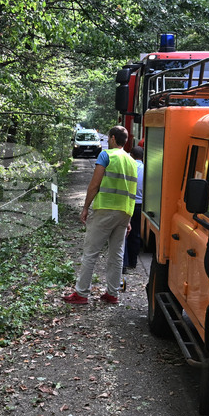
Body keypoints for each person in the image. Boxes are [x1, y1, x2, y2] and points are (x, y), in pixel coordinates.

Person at [64, 126, 138, 305]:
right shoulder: (131, 161)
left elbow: (94, 185)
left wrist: (85, 208)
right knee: (116, 254)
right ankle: (112, 293)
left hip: (105, 209)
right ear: (125, 141)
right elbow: (133, 190)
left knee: (90, 252)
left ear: (112, 138)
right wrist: (128, 218)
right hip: (124, 212)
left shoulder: (106, 155)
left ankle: (81, 293)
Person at [122, 146, 144, 275]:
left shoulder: (127, 167)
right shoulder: (147, 169)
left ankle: (123, 263)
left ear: (131, 155)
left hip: (127, 204)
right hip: (140, 206)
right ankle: (133, 262)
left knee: (123, 234)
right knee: (136, 234)